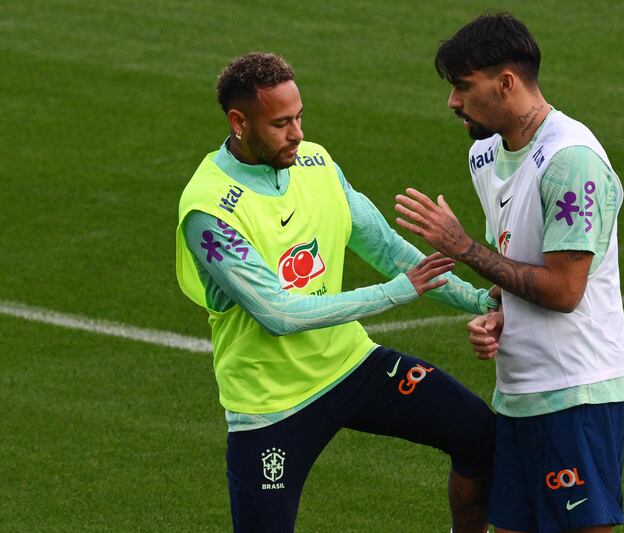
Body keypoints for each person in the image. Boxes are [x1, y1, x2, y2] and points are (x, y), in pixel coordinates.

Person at [175, 52, 497, 532]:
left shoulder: (315, 162)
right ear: (239, 121)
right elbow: (278, 314)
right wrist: (393, 293)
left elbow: (389, 249)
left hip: (350, 366)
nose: (298, 133)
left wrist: (479, 300)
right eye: (281, 123)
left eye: (299, 116)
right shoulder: (208, 210)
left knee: (481, 436)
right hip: (271, 404)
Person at [394, 13, 624, 533]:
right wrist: (501, 313)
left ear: (506, 83)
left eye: (463, 86)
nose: (452, 101)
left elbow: (566, 289)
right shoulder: (485, 155)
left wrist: (463, 248)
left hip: (578, 389)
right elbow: (517, 261)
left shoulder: (571, 161)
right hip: (519, 392)